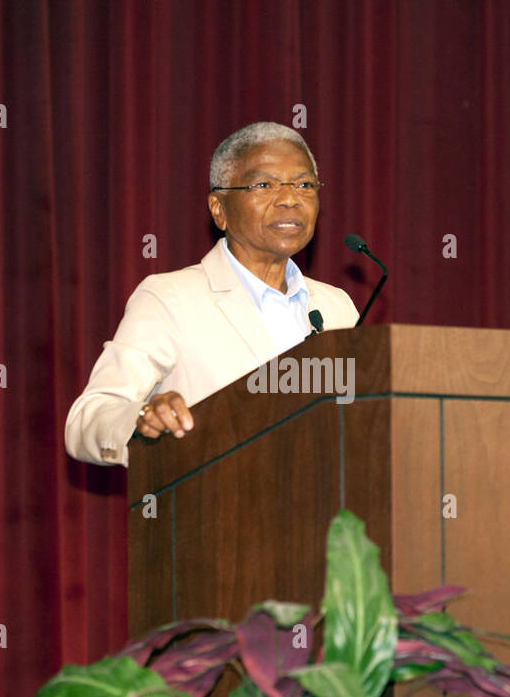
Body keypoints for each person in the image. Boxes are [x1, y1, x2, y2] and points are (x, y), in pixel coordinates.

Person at [65, 122, 359, 466]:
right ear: (218, 208)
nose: (290, 199)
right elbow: (87, 420)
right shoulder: (170, 298)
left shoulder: (338, 308)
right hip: (215, 510)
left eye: (304, 184)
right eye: (264, 184)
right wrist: (142, 417)